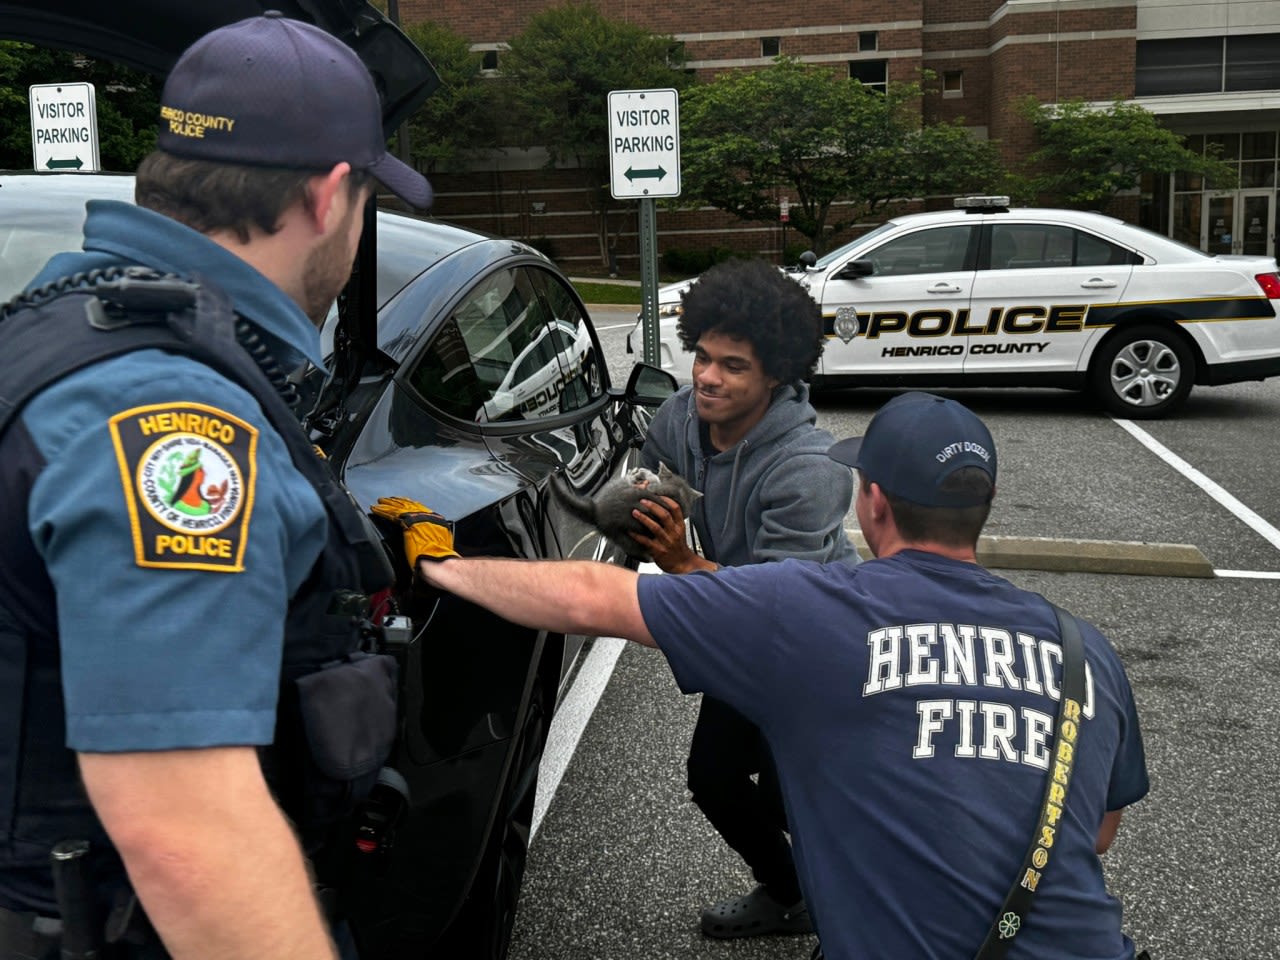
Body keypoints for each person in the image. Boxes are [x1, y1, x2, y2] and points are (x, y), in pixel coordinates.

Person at [404, 391, 1150, 960]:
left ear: (874, 501)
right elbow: (1100, 832)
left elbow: (589, 597)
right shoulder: (1088, 653)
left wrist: (442, 562)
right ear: (983, 506)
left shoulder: (814, 613)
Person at [0, 13, 432, 960]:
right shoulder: (170, 421)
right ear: (330, 198)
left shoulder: (50, 328)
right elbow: (188, 838)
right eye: (368, 206)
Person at [630, 256, 859, 939]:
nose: (707, 376)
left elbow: (775, 609)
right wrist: (638, 503)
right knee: (716, 778)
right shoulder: (684, 414)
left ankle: (885, 901)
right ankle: (791, 896)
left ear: (776, 376)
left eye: (733, 366)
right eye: (703, 356)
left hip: (816, 646)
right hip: (744, 630)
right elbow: (650, 461)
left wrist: (678, 560)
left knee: (803, 796)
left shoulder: (807, 468)